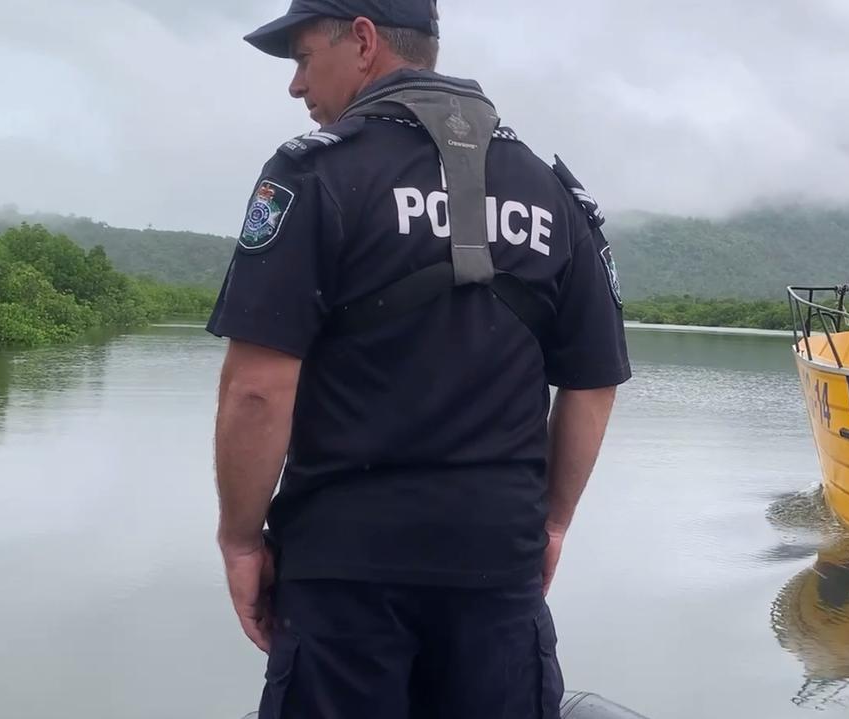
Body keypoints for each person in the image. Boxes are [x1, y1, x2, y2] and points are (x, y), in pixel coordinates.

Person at [206, 1, 632, 717]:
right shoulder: (553, 192)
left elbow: (256, 389)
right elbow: (591, 385)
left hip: (345, 574)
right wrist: (550, 524)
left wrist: (241, 540)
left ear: (364, 41)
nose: (295, 85)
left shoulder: (312, 175)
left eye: (303, 57)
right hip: (499, 563)